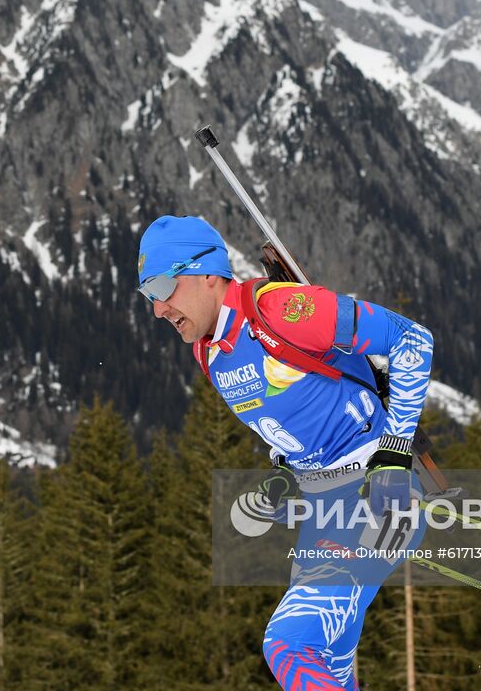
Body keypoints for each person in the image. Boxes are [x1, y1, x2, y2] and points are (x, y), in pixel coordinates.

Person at [137, 214, 435, 691]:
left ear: (208, 273)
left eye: (163, 286)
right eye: (148, 295)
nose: (158, 309)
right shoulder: (208, 351)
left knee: (289, 646)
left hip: (378, 496)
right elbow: (294, 425)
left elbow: (412, 340)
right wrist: (280, 477)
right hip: (324, 513)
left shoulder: (278, 310)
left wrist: (396, 454)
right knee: (329, 665)